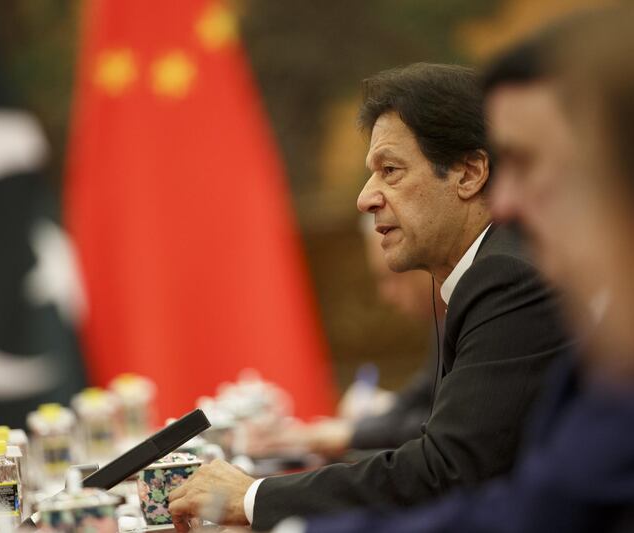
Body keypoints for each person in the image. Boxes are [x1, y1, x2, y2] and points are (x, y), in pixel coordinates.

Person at [260, 8, 634, 532]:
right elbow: (538, 499)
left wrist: (275, 512)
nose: (506, 203)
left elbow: (455, 473)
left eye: (530, 164)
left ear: (468, 171)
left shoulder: (508, 274)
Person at [168, 63, 570, 531]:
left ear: (469, 172)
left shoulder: (507, 275)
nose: (365, 198)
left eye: (390, 171)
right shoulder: (492, 265)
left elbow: (444, 469)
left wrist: (254, 496)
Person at [247, 214, 439, 459]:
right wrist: (348, 430)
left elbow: (444, 425)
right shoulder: (442, 317)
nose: (386, 296)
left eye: (393, 276)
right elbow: (426, 392)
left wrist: (351, 434)